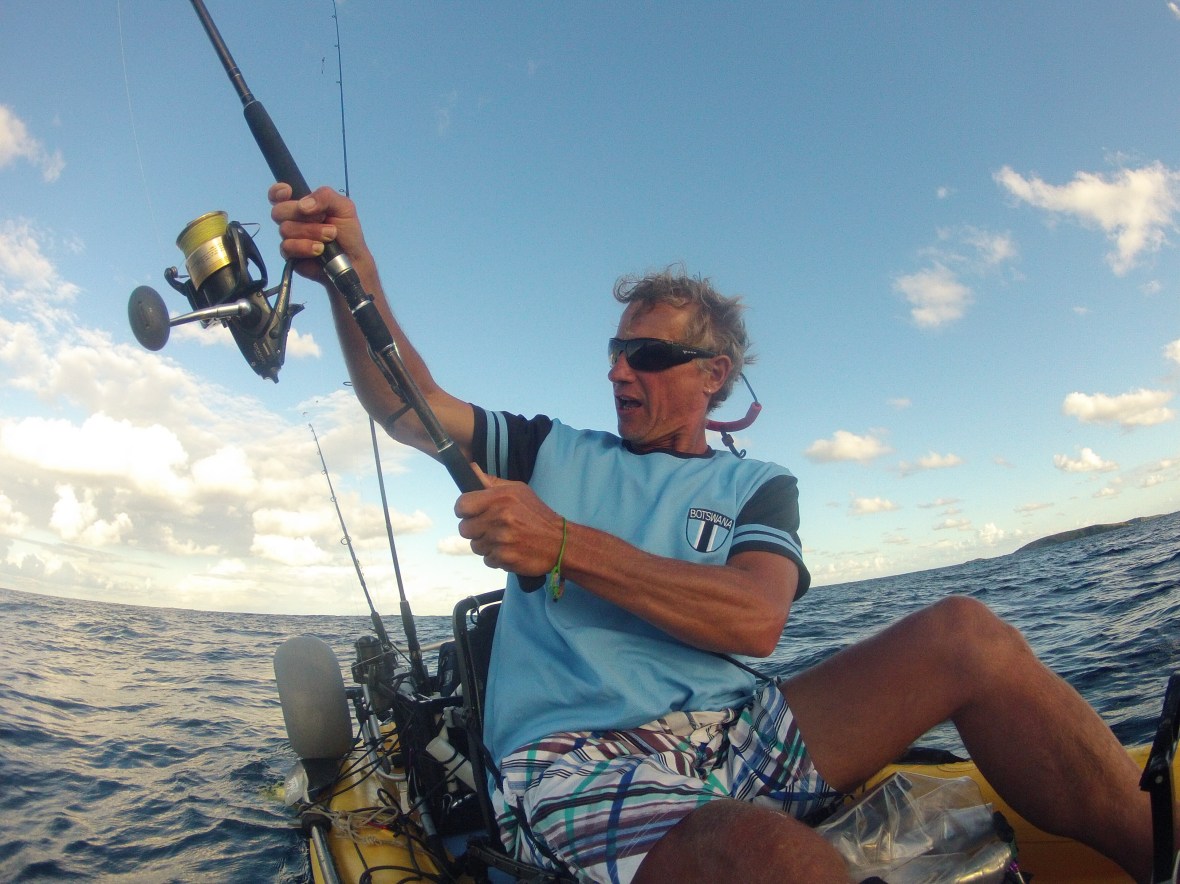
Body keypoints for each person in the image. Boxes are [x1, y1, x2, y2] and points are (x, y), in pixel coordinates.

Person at [269, 182, 1167, 884]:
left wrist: (564, 547)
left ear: (714, 376)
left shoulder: (759, 485)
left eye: (650, 355)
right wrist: (358, 279)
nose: (620, 370)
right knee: (760, 857)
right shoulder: (547, 448)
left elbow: (754, 622)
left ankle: (1159, 857)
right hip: (576, 761)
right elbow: (404, 403)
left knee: (970, 635)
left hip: (742, 732)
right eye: (617, 352)